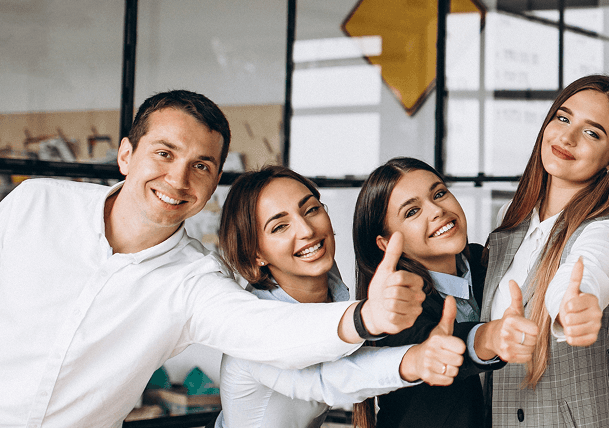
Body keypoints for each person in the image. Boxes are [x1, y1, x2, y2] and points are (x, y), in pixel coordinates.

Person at [0, 90, 424, 426]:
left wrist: (365, 317)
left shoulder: (198, 279)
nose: (178, 179)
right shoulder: (38, 203)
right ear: (126, 155)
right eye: (164, 153)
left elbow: (267, 330)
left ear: (215, 180)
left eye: (200, 166)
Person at [212, 166, 466, 428]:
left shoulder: (327, 281)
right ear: (255, 254)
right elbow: (326, 378)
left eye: (311, 209)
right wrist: (414, 359)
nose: (306, 230)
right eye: (279, 227)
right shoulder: (252, 327)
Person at [477, 74, 609, 426]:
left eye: (592, 133)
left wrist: (574, 306)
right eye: (563, 118)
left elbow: (587, 272)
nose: (567, 137)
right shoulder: (510, 219)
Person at [349, 157, 510, 427]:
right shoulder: (395, 306)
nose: (437, 210)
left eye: (439, 193)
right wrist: (490, 337)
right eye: (412, 211)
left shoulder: (487, 263)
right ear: (386, 243)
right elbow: (446, 349)